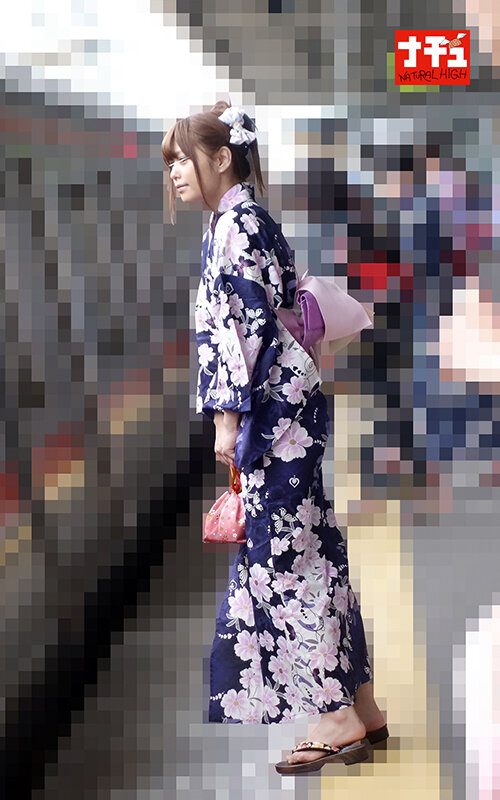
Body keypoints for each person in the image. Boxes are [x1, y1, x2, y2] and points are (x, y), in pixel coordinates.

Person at [161, 101, 388, 774]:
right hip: (290, 411)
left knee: (286, 559)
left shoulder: (236, 225)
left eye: (182, 159)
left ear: (221, 157)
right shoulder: (242, 219)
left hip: (273, 419)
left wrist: (227, 418)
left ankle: (336, 716)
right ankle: (362, 705)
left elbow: (242, 332)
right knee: (313, 551)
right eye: (170, 163)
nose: (174, 172)